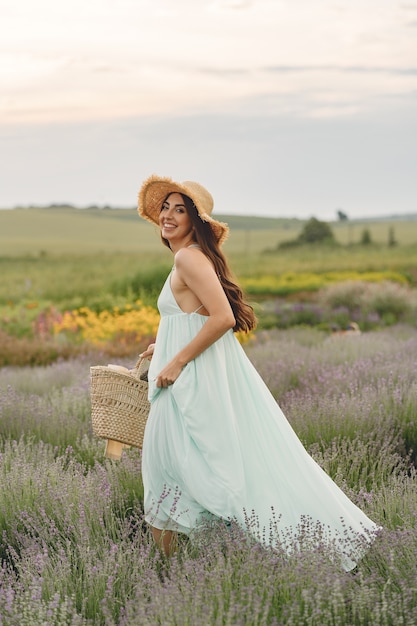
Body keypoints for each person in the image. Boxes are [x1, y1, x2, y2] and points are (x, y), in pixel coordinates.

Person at [137, 174, 379, 570]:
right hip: (190, 380)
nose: (168, 215)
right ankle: (197, 569)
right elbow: (193, 319)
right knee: (193, 472)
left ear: (195, 221)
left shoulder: (188, 257)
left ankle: (174, 577)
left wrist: (177, 360)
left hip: (187, 384)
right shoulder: (192, 256)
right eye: (165, 207)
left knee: (169, 480)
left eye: (180, 210)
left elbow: (223, 318)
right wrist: (162, 348)